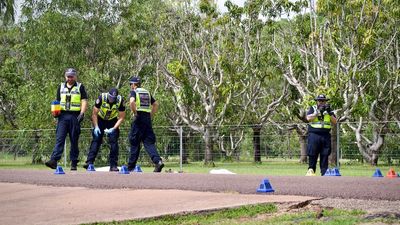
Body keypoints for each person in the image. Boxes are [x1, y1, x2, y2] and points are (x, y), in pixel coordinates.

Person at [45, 68, 88, 170]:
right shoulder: (60, 87)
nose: (70, 78)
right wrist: (55, 112)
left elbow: (84, 101)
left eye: (71, 76)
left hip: (75, 116)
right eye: (68, 76)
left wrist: (82, 113)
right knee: (59, 139)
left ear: (75, 76)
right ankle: (54, 160)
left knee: (74, 141)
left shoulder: (80, 87)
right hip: (62, 116)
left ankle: (73, 163)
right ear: (65, 76)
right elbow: (57, 101)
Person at [83, 88, 126, 172]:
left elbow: (121, 117)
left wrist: (114, 128)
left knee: (114, 142)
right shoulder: (102, 97)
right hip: (100, 120)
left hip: (112, 121)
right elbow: (94, 114)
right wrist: (96, 127)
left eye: (114, 98)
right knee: (96, 140)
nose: (112, 99)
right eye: (110, 97)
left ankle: (113, 165)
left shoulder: (120, 100)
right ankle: (89, 162)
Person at [127, 76, 164, 172]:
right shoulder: (147, 92)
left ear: (134, 85)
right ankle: (158, 161)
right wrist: (151, 115)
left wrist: (135, 113)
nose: (131, 86)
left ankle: (130, 167)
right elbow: (156, 104)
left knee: (134, 141)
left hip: (138, 117)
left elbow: (131, 102)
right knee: (148, 142)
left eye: (131, 84)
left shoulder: (134, 92)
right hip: (147, 118)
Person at [306, 94, 337, 176]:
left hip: (325, 135)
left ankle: (324, 172)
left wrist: (330, 113)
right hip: (314, 135)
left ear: (325, 101)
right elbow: (308, 118)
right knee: (312, 153)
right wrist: (316, 113)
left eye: (323, 101)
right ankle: (311, 170)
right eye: (319, 100)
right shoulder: (313, 108)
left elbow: (335, 122)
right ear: (317, 101)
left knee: (325, 153)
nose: (321, 102)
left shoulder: (329, 109)